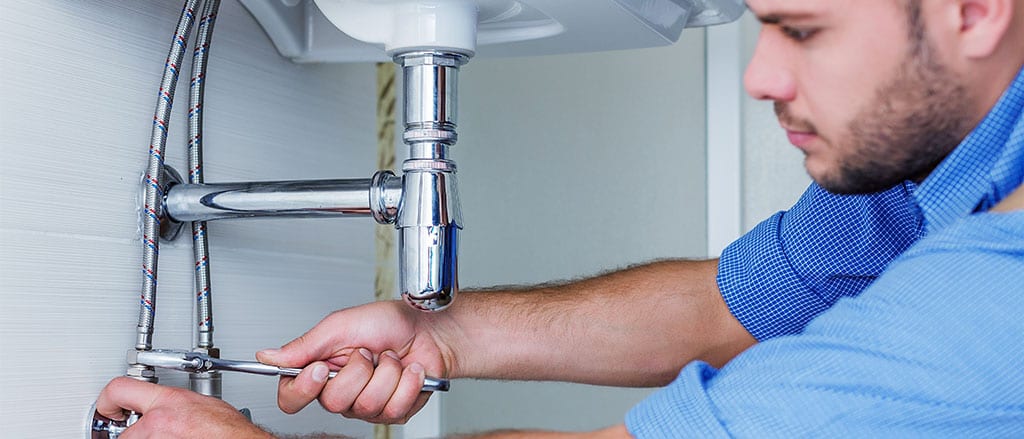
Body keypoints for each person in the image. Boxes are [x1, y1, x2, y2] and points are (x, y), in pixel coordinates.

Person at [97, 0, 1024, 436]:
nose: (759, 78)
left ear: (973, 11)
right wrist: (443, 335)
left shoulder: (994, 295)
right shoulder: (926, 168)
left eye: (804, 30)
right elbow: (731, 303)